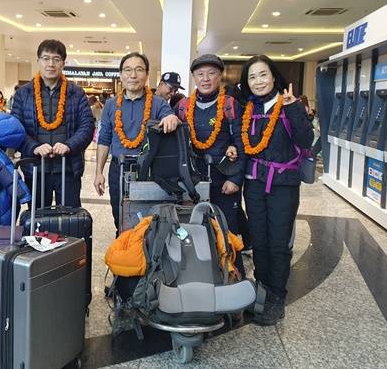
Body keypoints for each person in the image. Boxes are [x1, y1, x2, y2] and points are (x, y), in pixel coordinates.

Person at [239, 55, 313, 326]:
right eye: (252, 77)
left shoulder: (289, 104)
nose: (258, 81)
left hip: (283, 184)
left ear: (273, 77)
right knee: (259, 239)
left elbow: (306, 140)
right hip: (254, 184)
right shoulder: (249, 109)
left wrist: (294, 109)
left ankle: (277, 298)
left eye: (263, 75)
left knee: (278, 243)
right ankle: (262, 290)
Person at [175, 54, 246, 277]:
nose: (206, 79)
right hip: (192, 181)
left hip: (224, 179)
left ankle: (234, 278)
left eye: (211, 73)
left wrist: (235, 179)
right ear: (194, 77)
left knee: (228, 230)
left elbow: (242, 143)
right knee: (194, 229)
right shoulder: (183, 107)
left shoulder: (230, 105)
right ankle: (200, 276)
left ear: (220, 76)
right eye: (200, 74)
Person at [94, 52, 179, 232]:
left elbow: (171, 117)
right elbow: (104, 139)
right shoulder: (110, 104)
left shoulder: (158, 103)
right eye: (128, 70)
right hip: (118, 168)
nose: (133, 75)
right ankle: (123, 245)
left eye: (139, 70)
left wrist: (171, 118)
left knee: (147, 221)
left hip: (148, 169)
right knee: (120, 216)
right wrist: (98, 172)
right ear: (121, 75)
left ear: (146, 75)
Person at [11, 39, 94, 208]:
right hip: (35, 169)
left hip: (68, 168)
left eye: (56, 59)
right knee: (38, 217)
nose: (50, 64)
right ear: (38, 61)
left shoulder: (76, 93)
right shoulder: (23, 93)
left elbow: (87, 126)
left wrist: (69, 145)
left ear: (63, 63)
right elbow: (16, 129)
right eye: (46, 58)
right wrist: (34, 147)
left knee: (70, 216)